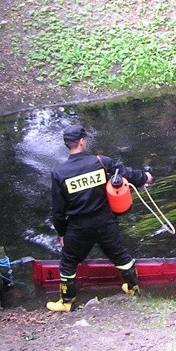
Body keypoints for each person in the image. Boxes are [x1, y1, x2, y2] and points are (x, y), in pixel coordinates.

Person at [47, 125, 153, 312]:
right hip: (105, 222)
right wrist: (145, 177)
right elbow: (127, 174)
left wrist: (62, 233)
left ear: (67, 144)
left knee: (68, 262)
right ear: (82, 141)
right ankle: (133, 289)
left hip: (79, 227)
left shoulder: (59, 174)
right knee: (121, 256)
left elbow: (58, 211)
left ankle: (66, 302)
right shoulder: (101, 162)